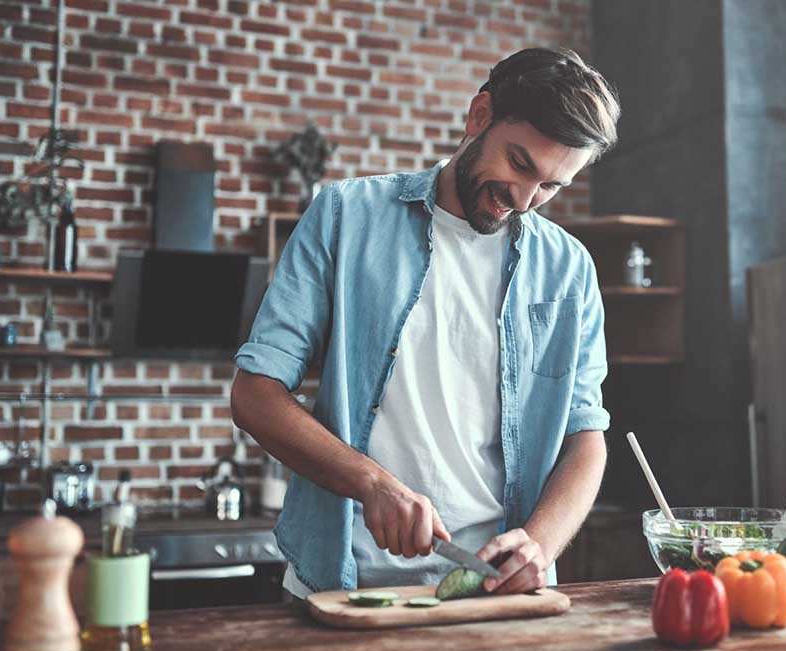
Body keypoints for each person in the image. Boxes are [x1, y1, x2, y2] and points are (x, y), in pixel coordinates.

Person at [230, 47, 621, 598]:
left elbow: (586, 436)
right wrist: (371, 484)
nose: (526, 200)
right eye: (519, 164)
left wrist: (540, 542)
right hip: (344, 586)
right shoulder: (346, 215)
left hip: (493, 595)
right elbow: (255, 394)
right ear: (479, 115)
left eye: (552, 187)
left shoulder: (568, 267)